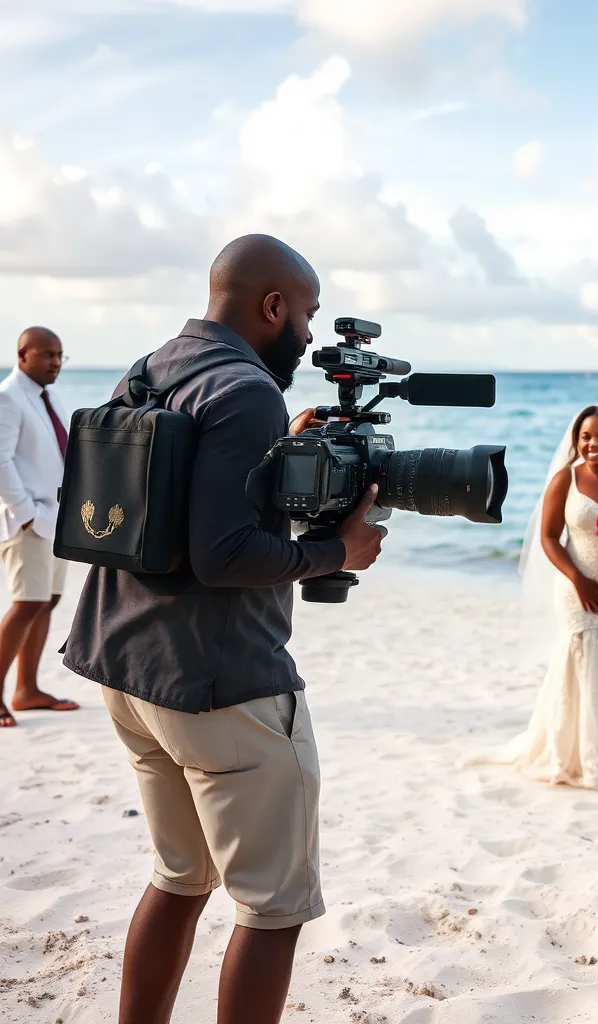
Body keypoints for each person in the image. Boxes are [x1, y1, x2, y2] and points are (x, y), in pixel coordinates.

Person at [61, 234, 386, 1024]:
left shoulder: (152, 368)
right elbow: (223, 553)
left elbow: (165, 505)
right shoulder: (245, 391)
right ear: (272, 305)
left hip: (126, 668)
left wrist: (280, 449)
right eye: (305, 314)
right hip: (220, 685)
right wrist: (334, 550)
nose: (310, 336)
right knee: (272, 909)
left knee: (179, 878)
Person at [468, 405, 598, 790]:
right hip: (578, 589)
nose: (592, 443)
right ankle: (587, 755)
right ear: (576, 441)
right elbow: (548, 538)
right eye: (585, 437)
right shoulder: (563, 481)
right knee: (584, 658)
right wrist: (577, 579)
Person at [0, 327, 78, 728]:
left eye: (60, 356)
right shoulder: (8, 397)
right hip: (28, 522)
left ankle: (26, 690)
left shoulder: (48, 397)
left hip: (54, 519)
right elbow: (0, 460)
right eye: (47, 355)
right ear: (22, 353)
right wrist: (26, 511)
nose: (55, 364)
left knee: (46, 601)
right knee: (26, 603)